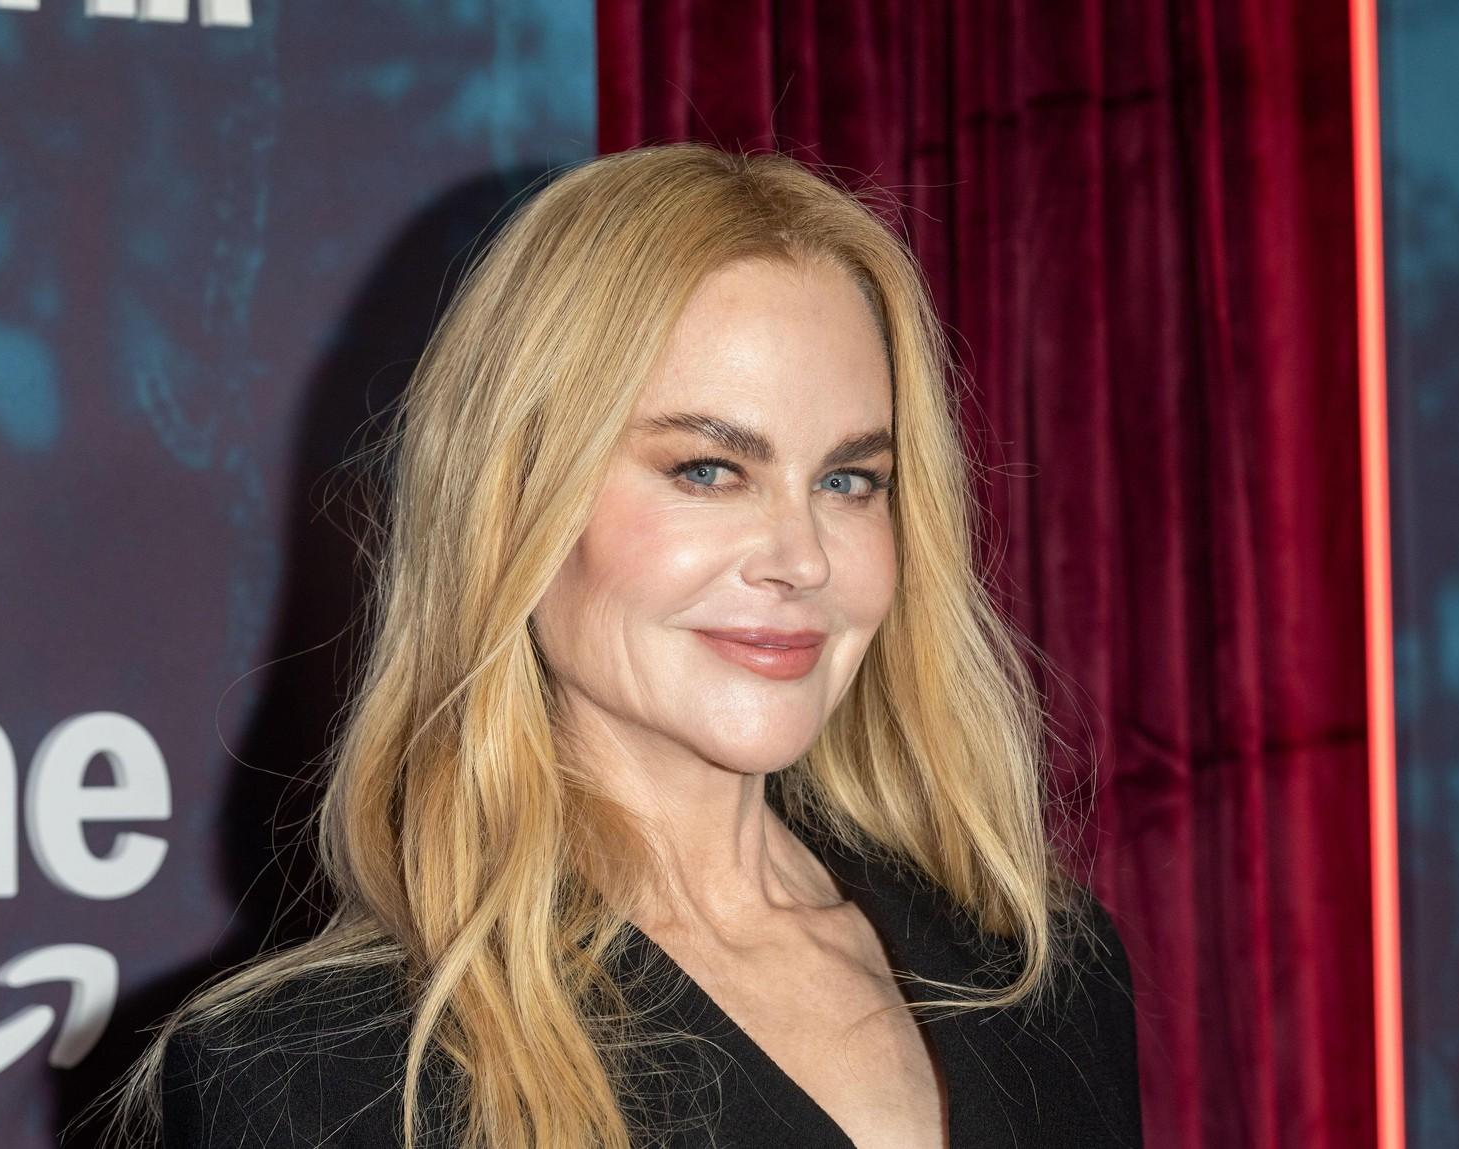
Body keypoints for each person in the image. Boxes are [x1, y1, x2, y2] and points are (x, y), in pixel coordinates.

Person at [110, 141, 1143, 1149]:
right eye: (707, 470)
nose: (802, 559)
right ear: (517, 502)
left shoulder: (1041, 967)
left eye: (848, 481)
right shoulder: (313, 1079)